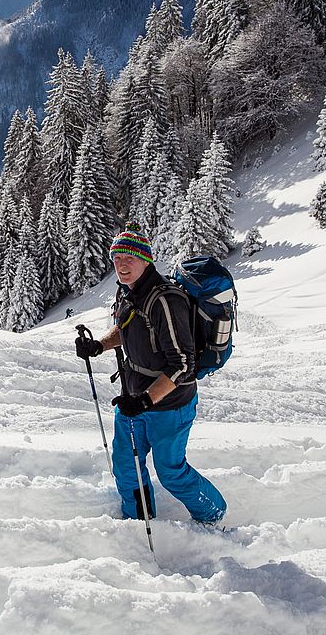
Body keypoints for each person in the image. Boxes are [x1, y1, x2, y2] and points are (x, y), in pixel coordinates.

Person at [75, 225, 226, 525]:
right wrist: (98, 346)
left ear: (146, 259)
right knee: (126, 464)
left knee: (170, 470)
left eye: (129, 257)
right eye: (117, 257)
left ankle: (214, 514)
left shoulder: (165, 300)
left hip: (170, 405)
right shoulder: (129, 293)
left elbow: (183, 363)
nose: (121, 264)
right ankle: (139, 522)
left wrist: (146, 400)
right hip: (134, 399)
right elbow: (127, 326)